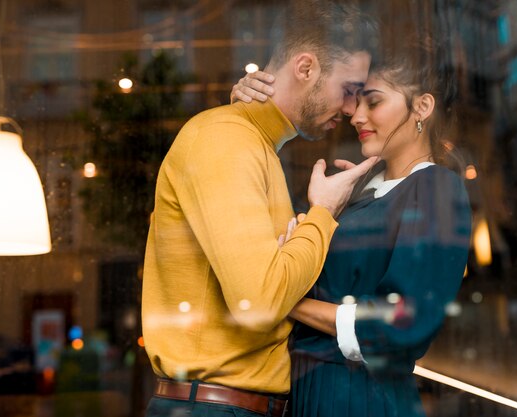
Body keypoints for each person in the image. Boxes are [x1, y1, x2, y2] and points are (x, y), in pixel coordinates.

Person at [141, 2, 379, 417]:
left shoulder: (250, 143)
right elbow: (259, 304)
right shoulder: (226, 140)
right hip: (215, 408)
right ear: (305, 68)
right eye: (348, 90)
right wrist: (323, 212)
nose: (350, 109)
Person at [233, 39, 472, 417]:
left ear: (422, 107)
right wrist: (249, 109)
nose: (357, 115)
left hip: (361, 396)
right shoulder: (354, 192)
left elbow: (402, 322)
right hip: (306, 390)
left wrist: (282, 300)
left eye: (373, 101)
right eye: (356, 102)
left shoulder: (435, 187)